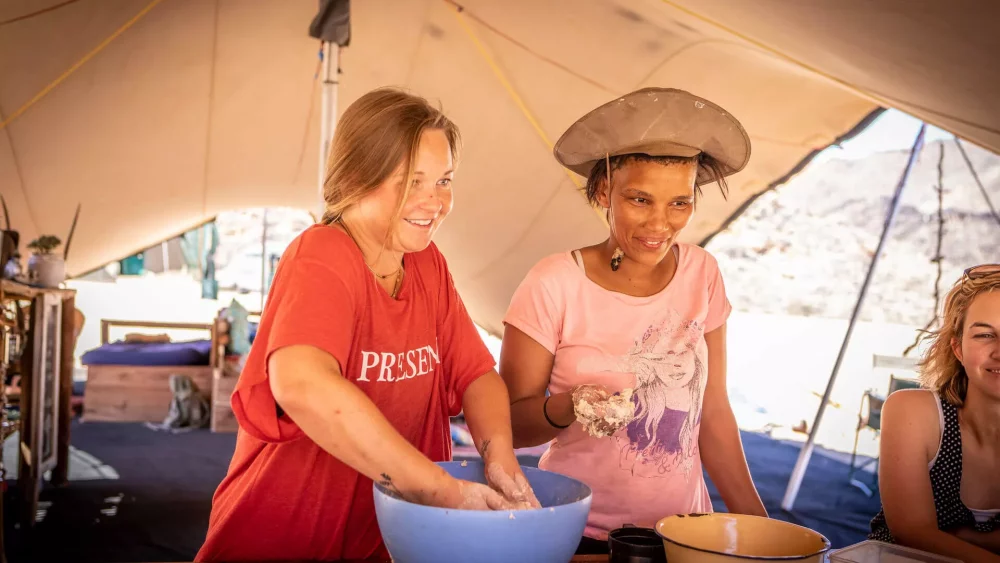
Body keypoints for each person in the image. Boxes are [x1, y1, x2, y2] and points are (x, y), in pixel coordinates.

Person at [196, 87, 539, 563]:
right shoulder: (321, 253)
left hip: (382, 541)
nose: (434, 201)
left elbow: (476, 376)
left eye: (444, 180)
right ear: (358, 177)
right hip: (282, 538)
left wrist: (500, 460)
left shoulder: (427, 265)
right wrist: (440, 490)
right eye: (412, 181)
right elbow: (301, 382)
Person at [499, 87, 766, 553]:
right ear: (605, 191)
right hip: (577, 534)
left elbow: (714, 412)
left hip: (685, 534)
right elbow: (511, 425)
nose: (659, 223)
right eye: (640, 200)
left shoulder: (703, 272)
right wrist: (569, 405)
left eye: (679, 203)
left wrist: (764, 532)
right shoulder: (554, 282)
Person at [869, 264, 1000, 562]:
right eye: (984, 335)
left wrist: (963, 537)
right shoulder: (914, 412)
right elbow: (912, 533)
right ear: (958, 349)